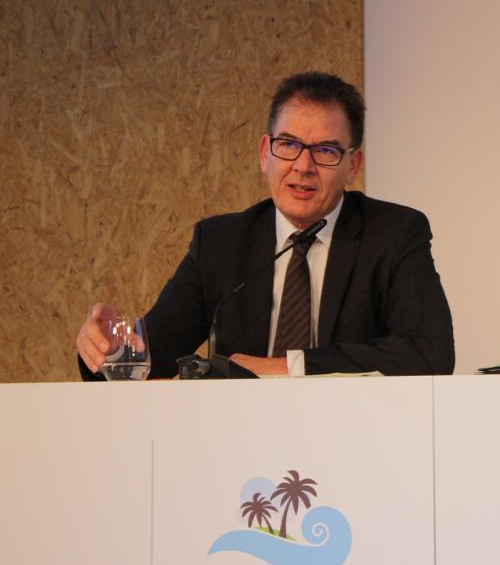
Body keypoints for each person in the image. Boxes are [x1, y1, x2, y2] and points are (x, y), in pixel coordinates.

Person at [76, 71, 454, 378]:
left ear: (352, 166)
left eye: (325, 151)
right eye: (288, 145)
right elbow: (151, 356)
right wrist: (108, 352)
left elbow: (429, 352)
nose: (302, 166)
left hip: (357, 442)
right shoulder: (220, 244)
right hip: (241, 450)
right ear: (264, 154)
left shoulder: (393, 234)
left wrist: (290, 368)